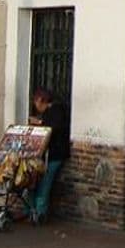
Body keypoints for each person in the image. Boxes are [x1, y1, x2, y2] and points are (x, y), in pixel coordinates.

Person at [27, 87, 70, 223]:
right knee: (36, 182)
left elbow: (52, 128)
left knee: (45, 183)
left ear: (40, 100)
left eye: (36, 102)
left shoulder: (56, 112)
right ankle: (32, 210)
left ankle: (40, 212)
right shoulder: (51, 112)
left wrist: (39, 123)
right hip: (48, 154)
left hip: (54, 154)